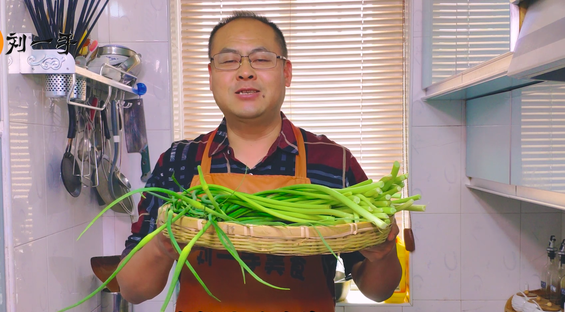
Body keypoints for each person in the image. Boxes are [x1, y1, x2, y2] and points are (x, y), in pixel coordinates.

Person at [117, 11, 402, 311]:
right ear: (211, 76)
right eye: (228, 61)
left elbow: (377, 291)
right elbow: (133, 290)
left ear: (286, 72)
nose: (245, 72)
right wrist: (164, 242)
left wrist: (383, 255)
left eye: (262, 59)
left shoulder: (333, 162)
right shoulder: (179, 161)